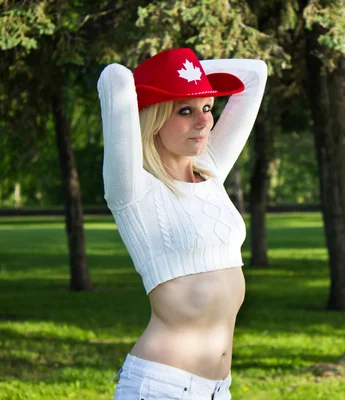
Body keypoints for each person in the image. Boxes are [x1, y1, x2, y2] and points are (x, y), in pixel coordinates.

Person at [97, 48, 267, 400]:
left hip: (218, 389)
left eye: (207, 108)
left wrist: (188, 74)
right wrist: (165, 76)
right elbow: (114, 78)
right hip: (162, 386)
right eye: (185, 110)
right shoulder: (132, 189)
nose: (204, 122)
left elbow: (255, 74)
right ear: (153, 117)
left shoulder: (210, 171)